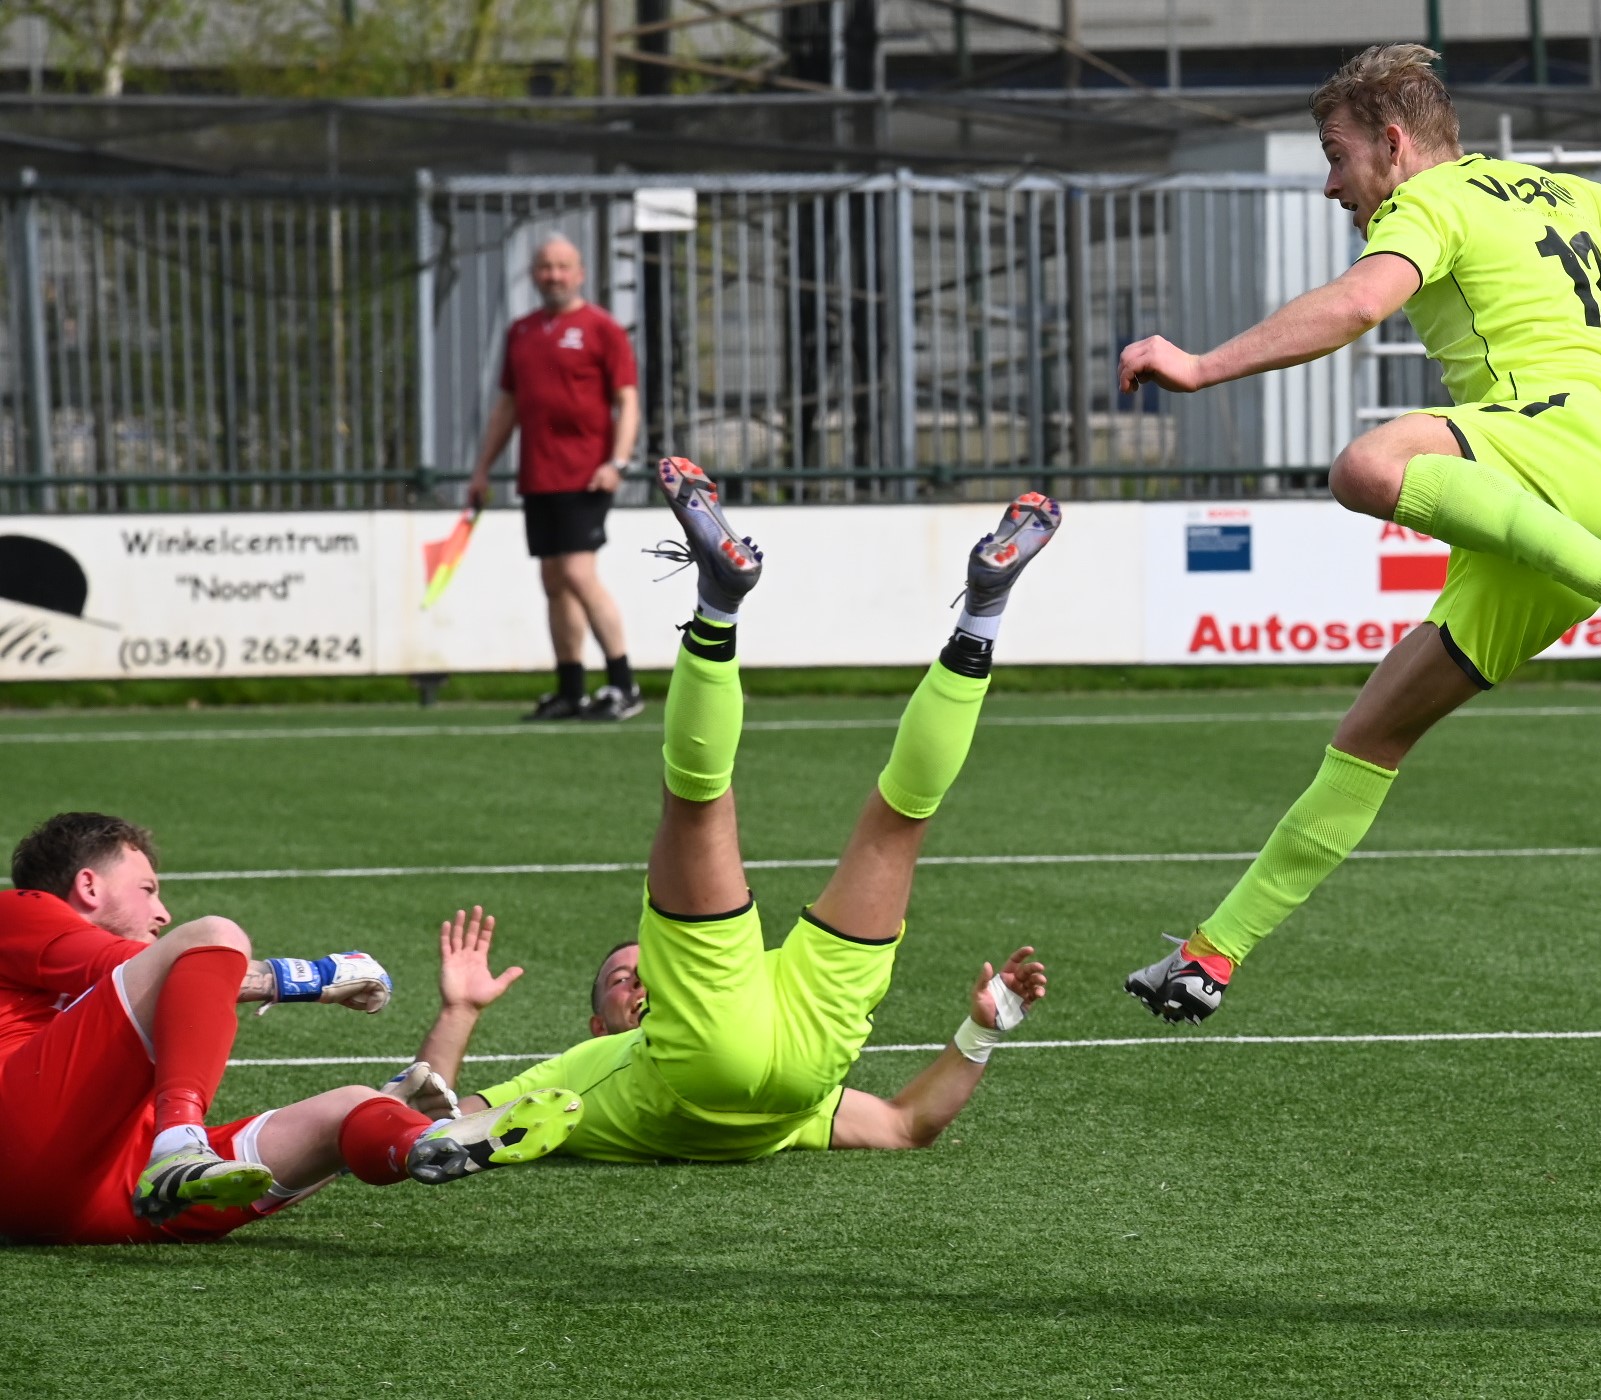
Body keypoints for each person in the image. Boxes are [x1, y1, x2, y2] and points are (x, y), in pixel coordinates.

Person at [1114, 42, 1601, 1022]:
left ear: (1393, 144)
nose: (1331, 184)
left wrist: (1198, 365)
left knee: (1366, 467)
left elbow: (1359, 302)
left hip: (1541, 453)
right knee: (1371, 735)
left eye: (1336, 153)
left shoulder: (1426, 205)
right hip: (1577, 505)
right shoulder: (1546, 189)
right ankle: (1211, 955)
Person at [411, 457, 1054, 1165]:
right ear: (600, 1025)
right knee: (866, 819)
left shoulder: (597, 1072)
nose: (640, 979)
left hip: (777, 1046)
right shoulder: (573, 1074)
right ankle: (756, 603)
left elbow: (903, 1128)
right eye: (625, 981)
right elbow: (910, 1124)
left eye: (641, 969)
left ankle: (977, 612)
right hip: (776, 1046)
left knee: (811, 808)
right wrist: (983, 1031)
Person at [0, 814, 582, 1246]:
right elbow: (160, 965)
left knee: (352, 1107)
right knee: (214, 935)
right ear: (88, 886)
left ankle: (422, 1143)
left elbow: (175, 975)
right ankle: (180, 1143)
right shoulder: (16, 911)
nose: (162, 912)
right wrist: (319, 976)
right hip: (22, 1142)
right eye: (148, 889)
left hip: (110, 1196)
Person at [466, 234, 645, 723]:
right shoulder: (522, 332)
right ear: (534, 273)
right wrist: (482, 468)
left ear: (580, 272)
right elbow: (508, 406)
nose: (554, 275)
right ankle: (571, 687)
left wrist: (619, 462)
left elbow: (627, 400)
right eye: (545, 267)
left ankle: (623, 684)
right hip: (537, 475)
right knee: (553, 581)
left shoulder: (602, 329)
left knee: (578, 574)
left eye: (563, 266)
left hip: (586, 474)